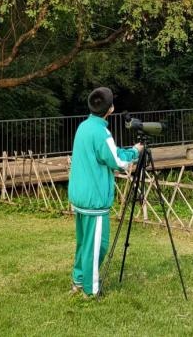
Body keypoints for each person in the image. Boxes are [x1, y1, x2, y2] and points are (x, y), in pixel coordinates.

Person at [68, 87, 143, 298]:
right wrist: (135, 152)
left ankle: (78, 280)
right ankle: (91, 290)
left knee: (84, 242)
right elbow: (117, 160)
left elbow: (105, 155)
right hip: (94, 199)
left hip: (80, 195)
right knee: (98, 245)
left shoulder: (84, 126)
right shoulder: (101, 132)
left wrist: (126, 152)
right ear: (110, 108)